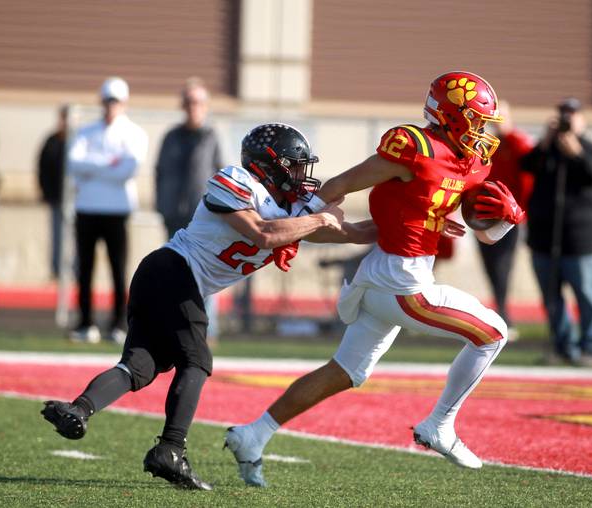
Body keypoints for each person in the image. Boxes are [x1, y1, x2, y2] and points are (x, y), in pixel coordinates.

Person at [224, 71, 526, 487]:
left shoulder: (473, 161)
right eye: (476, 121)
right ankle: (440, 424)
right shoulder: (413, 147)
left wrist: (504, 222)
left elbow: (483, 231)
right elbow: (341, 184)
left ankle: (253, 435)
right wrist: (296, 225)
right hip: (401, 280)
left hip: (388, 276)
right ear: (452, 116)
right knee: (493, 334)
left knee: (345, 371)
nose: (483, 132)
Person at [41, 122, 376, 490]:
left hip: (171, 282)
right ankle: (170, 449)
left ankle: (78, 409)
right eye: (294, 165)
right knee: (197, 360)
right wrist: (317, 218)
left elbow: (356, 233)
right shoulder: (235, 180)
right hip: (172, 270)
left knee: (140, 364)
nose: (300, 174)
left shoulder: (293, 209)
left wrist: (418, 226)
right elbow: (263, 234)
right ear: (269, 165)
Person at [520, 98, 592, 367]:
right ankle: (562, 347)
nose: (567, 121)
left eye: (572, 116)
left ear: (582, 120)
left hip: (580, 242)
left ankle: (590, 348)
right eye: (563, 116)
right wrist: (546, 141)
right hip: (545, 240)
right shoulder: (548, 151)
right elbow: (526, 165)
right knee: (551, 299)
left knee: (587, 298)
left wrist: (576, 153)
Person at [66, 77, 148, 344]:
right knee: (85, 269)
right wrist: (108, 165)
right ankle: (85, 322)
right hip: (87, 209)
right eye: (107, 100)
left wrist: (93, 168)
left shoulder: (134, 133)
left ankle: (118, 324)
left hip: (117, 210)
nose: (111, 106)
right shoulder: (86, 132)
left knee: (118, 269)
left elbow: (127, 170)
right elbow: (74, 163)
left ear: (124, 103)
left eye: (115, 101)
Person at [155, 77, 223, 341]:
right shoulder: (171, 136)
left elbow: (222, 174)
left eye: (197, 102)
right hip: (173, 215)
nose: (192, 107)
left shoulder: (211, 137)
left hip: (204, 217)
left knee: (205, 271)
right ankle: (174, 326)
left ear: (204, 106)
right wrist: (162, 205)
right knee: (173, 270)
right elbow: (159, 172)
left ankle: (207, 329)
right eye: (188, 102)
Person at [474, 103, 534, 329]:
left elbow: (526, 158)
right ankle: (500, 309)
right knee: (490, 263)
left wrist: (507, 130)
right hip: (484, 213)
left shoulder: (515, 141)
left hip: (508, 216)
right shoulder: (489, 145)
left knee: (503, 264)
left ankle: (503, 312)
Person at [37, 105, 70, 280]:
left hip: (75, 200)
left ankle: (73, 270)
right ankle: (57, 270)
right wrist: (45, 191)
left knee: (74, 238)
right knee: (57, 235)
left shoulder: (78, 140)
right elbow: (43, 167)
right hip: (56, 197)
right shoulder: (52, 141)